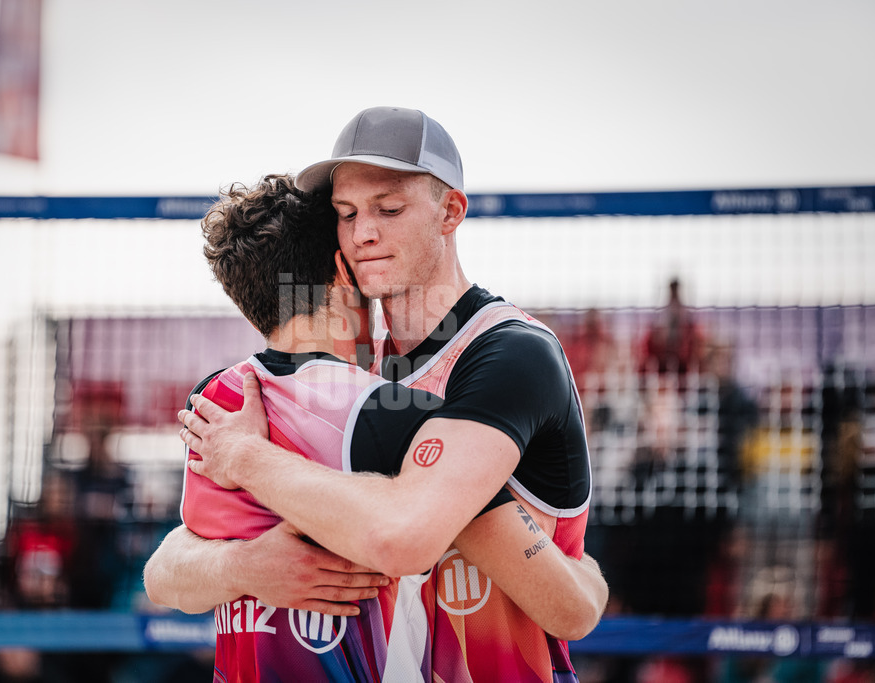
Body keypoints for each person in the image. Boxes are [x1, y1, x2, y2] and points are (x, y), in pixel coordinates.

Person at [173, 107, 600, 682]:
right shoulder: (349, 376)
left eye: (389, 209)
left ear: (450, 211)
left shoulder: (509, 354)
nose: (363, 232)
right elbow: (170, 566)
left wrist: (245, 458)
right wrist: (240, 566)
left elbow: (406, 537)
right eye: (346, 214)